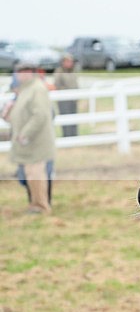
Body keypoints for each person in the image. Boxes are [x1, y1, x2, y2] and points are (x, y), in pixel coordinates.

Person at [6, 62, 56, 214]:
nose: (19, 75)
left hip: (36, 141)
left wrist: (25, 133)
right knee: (30, 175)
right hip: (26, 143)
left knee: (36, 174)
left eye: (22, 72)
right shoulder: (26, 89)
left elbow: (40, 115)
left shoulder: (37, 89)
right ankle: (35, 204)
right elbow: (20, 114)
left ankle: (41, 206)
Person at [53, 53, 80, 137]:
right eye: (67, 61)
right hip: (64, 101)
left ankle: (74, 136)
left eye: (71, 61)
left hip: (73, 99)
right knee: (65, 118)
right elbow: (57, 85)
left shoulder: (73, 72)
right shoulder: (59, 72)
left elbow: (76, 84)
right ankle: (67, 136)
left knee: (74, 118)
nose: (69, 63)